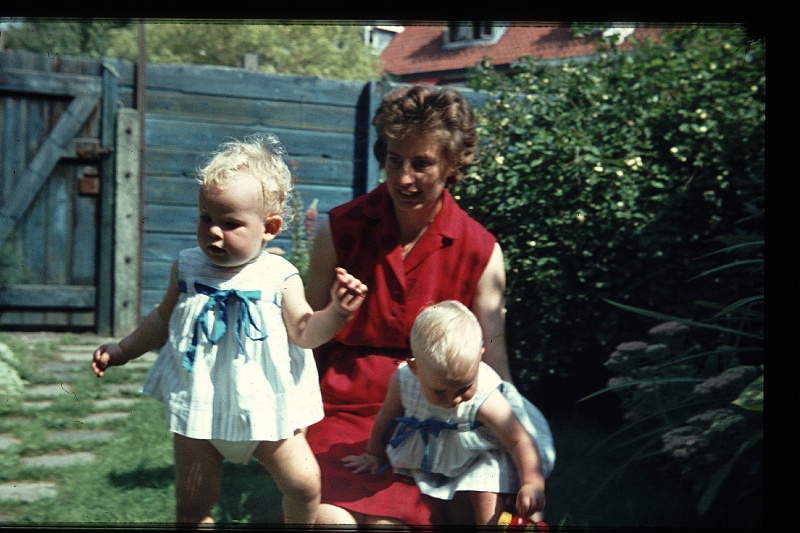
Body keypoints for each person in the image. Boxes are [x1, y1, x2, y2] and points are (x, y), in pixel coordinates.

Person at [91, 133, 368, 528]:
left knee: (304, 485)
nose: (214, 232)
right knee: (192, 507)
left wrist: (338, 312)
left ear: (268, 227)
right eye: (206, 218)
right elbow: (161, 319)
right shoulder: (187, 266)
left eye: (230, 223)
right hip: (200, 407)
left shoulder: (279, 275)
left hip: (266, 410)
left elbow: (305, 332)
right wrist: (122, 350)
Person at [304, 84, 516, 526]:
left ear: (452, 165)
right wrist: (292, 425)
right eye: (394, 160)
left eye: (422, 164)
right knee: (330, 523)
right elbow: (302, 340)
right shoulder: (340, 229)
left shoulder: (480, 250)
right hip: (337, 413)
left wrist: (515, 450)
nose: (403, 178)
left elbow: (493, 365)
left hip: (429, 417)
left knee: (392, 526)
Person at [342, 300, 555, 525]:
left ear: (479, 359)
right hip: (442, 449)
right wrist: (373, 454)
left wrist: (531, 483)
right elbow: (386, 418)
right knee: (454, 515)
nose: (453, 400)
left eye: (464, 388)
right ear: (415, 369)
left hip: (482, 451)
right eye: (441, 391)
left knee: (485, 498)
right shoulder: (403, 380)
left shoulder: (485, 395)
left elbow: (519, 439)